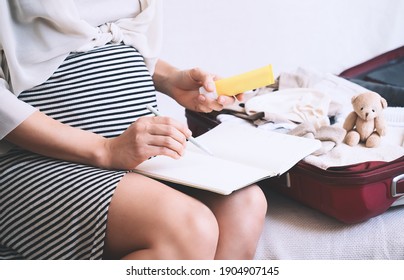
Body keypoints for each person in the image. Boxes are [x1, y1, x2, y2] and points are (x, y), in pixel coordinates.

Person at [0, 0, 267, 260]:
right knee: (187, 227)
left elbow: (104, 35)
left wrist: (170, 80)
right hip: (38, 156)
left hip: (136, 154)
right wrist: (105, 149)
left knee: (244, 204)